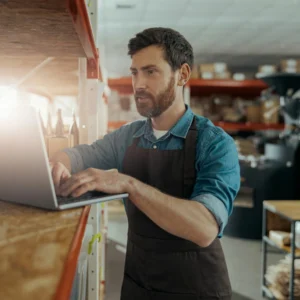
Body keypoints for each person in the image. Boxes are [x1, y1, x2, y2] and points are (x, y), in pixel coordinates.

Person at [50, 27, 240, 300]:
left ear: (182, 75)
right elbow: (81, 154)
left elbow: (205, 228)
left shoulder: (215, 144)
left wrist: (129, 185)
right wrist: (59, 163)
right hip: (139, 285)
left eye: (151, 72)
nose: (138, 84)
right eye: (134, 72)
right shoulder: (128, 137)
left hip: (197, 290)